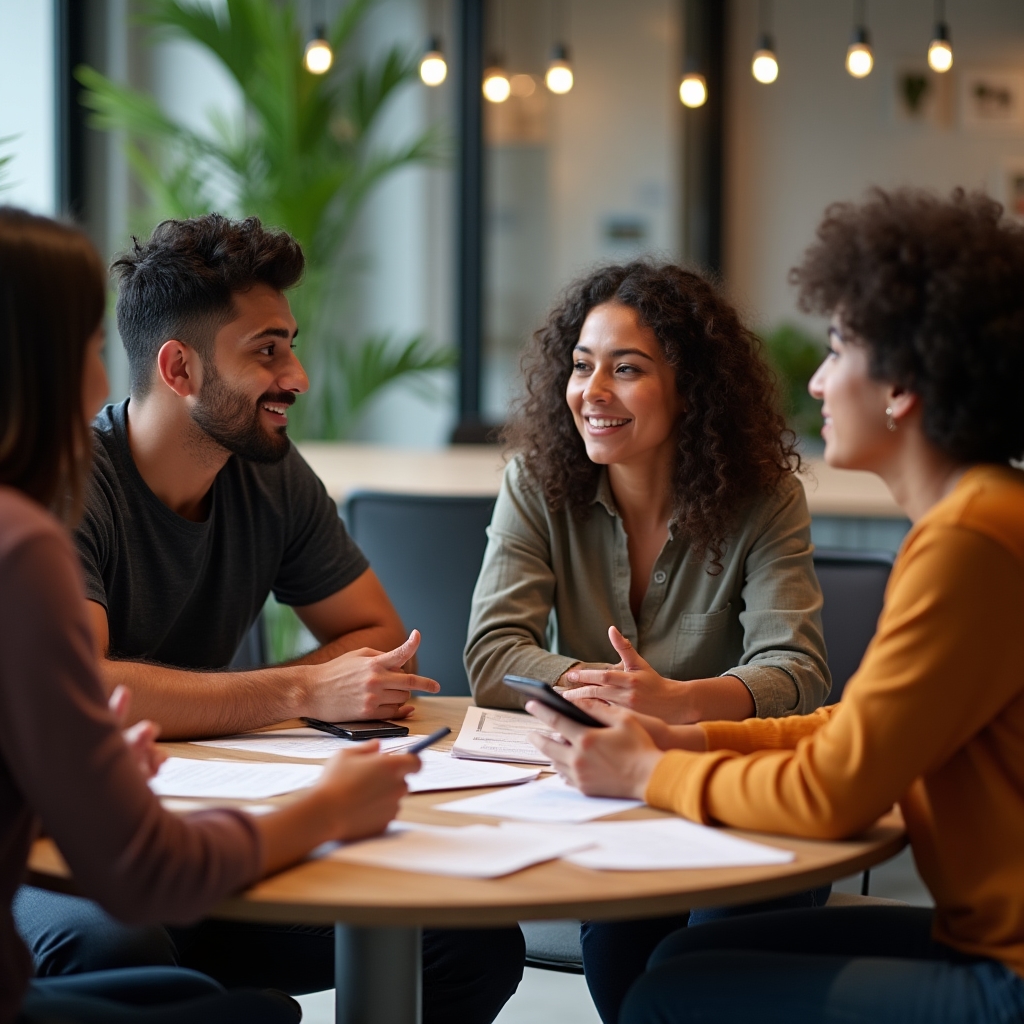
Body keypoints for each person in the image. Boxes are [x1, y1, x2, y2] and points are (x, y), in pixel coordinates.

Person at [523, 189, 1024, 1024]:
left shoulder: (971, 540)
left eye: (837, 350)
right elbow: (853, 729)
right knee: (680, 959)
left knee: (669, 997)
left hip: (1007, 976)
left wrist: (647, 771)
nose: (819, 380)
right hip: (983, 941)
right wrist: (686, 736)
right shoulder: (982, 516)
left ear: (901, 383)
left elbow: (836, 791)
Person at [12, 212, 524, 1022]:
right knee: (117, 943)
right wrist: (294, 693)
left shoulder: (268, 470)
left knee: (465, 941)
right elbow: (93, 683)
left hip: (197, 820)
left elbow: (376, 638)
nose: (299, 377)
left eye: (290, 343)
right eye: (267, 351)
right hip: (64, 854)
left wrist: (288, 690)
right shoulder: (66, 486)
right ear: (178, 369)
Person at [464, 261, 831, 1021]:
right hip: (615, 805)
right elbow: (494, 652)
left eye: (626, 370)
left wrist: (678, 700)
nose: (591, 393)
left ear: (691, 387)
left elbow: (797, 671)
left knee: (709, 985)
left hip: (740, 802)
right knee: (628, 990)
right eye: (580, 366)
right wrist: (608, 689)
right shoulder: (535, 483)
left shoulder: (765, 499)